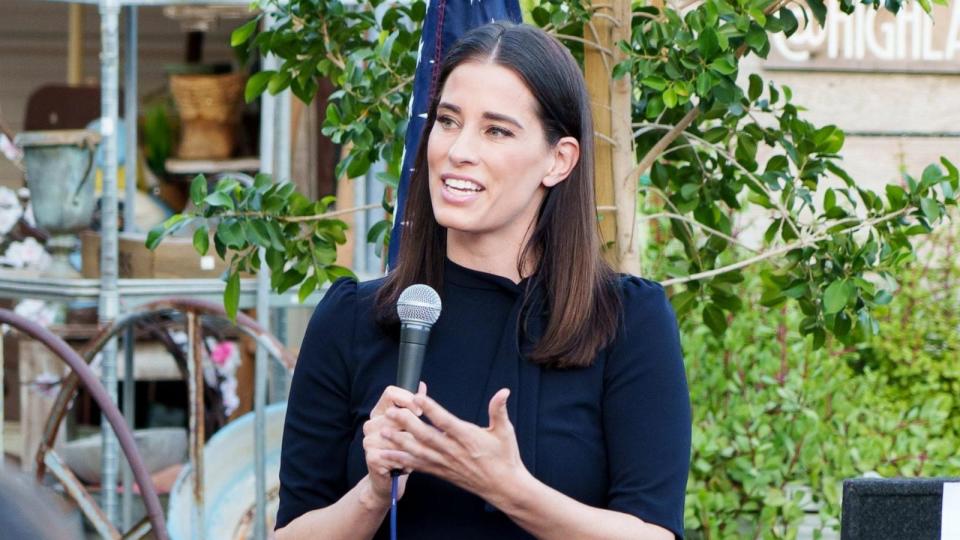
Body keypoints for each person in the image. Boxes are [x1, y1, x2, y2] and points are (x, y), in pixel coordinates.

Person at [275, 22, 691, 540]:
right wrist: (373, 494)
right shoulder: (353, 319)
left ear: (558, 161)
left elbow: (653, 533)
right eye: (448, 121)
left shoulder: (625, 320)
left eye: (496, 130)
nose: (458, 150)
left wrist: (507, 488)